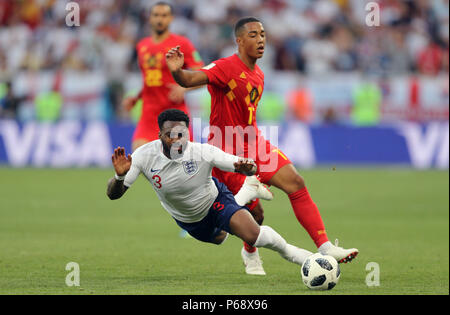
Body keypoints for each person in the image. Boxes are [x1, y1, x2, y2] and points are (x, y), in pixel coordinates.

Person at [166, 17, 358, 275]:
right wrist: (178, 71)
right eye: (254, 35)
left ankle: (325, 247)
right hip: (228, 151)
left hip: (254, 142)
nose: (261, 40)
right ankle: (250, 251)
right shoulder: (225, 67)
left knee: (296, 182)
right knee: (255, 216)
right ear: (240, 41)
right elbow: (190, 80)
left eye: (263, 34)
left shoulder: (258, 74)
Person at [106, 109, 313, 271]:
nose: (177, 140)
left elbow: (240, 163)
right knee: (220, 237)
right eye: (170, 135)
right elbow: (113, 195)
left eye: (181, 134)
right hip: (190, 220)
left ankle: (305, 258)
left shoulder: (202, 151)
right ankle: (247, 192)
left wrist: (247, 167)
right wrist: (120, 176)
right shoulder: (144, 156)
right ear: (159, 134)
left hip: (216, 201)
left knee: (252, 234)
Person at [123, 1, 204, 152]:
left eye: (164, 15)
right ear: (150, 18)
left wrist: (183, 89)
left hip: (174, 112)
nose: (160, 19)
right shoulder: (142, 45)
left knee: (180, 162)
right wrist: (136, 97)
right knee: (139, 156)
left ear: (171, 18)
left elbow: (203, 75)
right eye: (156, 15)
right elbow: (150, 79)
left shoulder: (182, 43)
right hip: (149, 112)